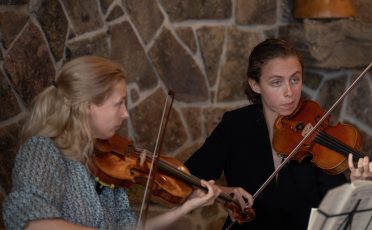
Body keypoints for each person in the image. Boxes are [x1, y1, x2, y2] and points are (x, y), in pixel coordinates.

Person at [2, 56, 221, 230]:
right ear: (88, 106)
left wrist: (185, 207)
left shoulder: (108, 165)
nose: (126, 114)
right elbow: (31, 221)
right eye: (119, 104)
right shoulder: (43, 149)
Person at [184, 38, 372, 229]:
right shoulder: (235, 125)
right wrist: (223, 192)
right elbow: (188, 177)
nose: (289, 92)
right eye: (276, 82)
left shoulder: (316, 130)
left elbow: (334, 207)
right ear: (255, 85)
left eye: (295, 79)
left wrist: (357, 188)